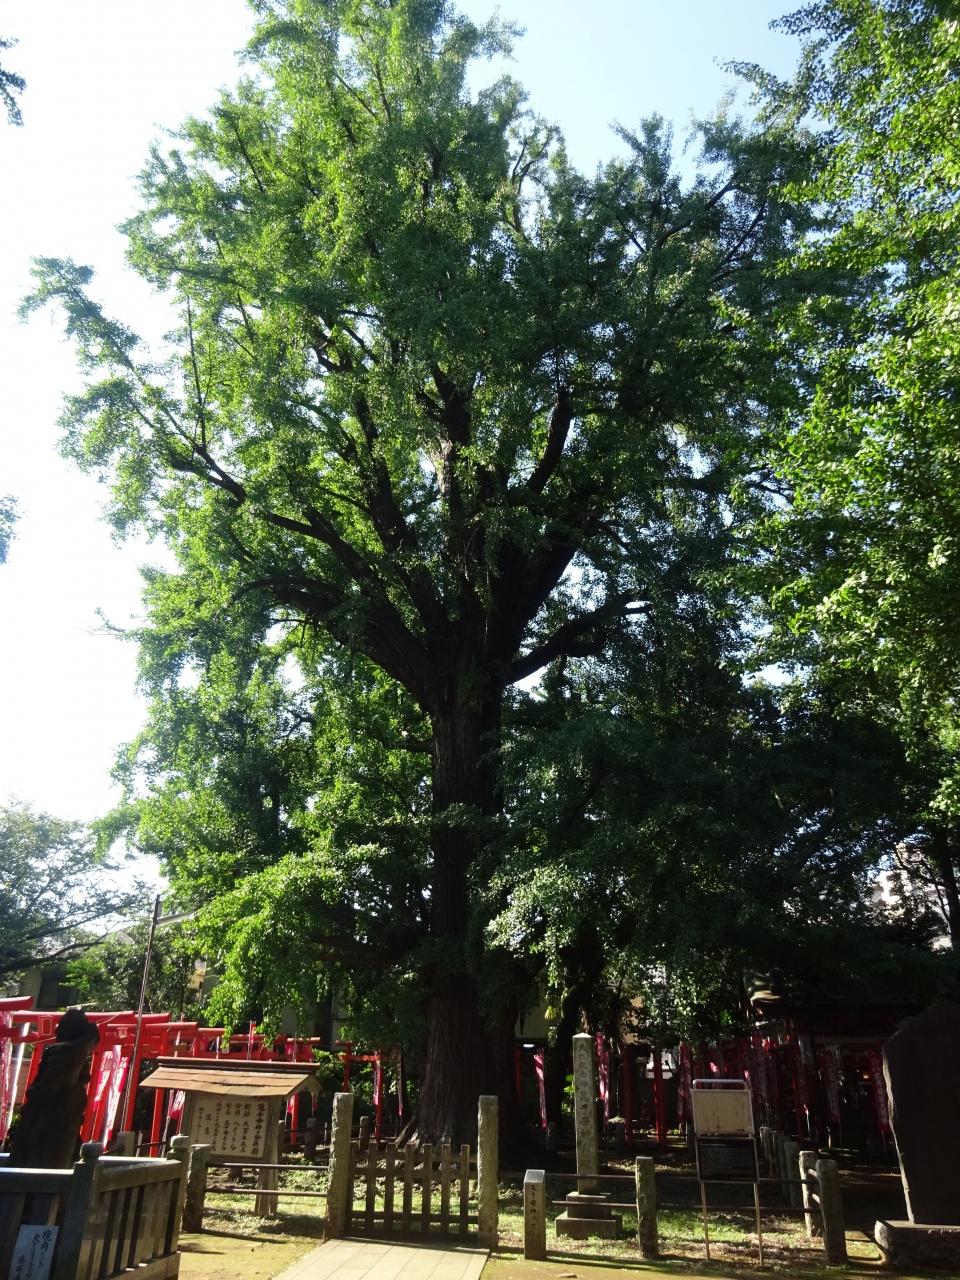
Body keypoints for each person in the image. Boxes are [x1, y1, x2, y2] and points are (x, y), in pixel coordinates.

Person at [7, 1008, 100, 1167]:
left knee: (32, 1163)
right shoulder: (79, 1054)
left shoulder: (60, 1052)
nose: (57, 1030)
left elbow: (46, 1089)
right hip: (65, 1121)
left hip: (46, 1121)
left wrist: (32, 1096)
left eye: (61, 1026)